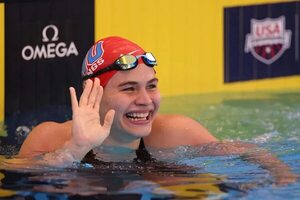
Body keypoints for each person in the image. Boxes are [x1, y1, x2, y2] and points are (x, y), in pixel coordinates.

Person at [17, 36, 297, 185]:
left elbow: (252, 152)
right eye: (129, 88)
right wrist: (74, 150)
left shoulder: (175, 132)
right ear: (95, 94)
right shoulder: (49, 138)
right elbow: (20, 182)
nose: (146, 100)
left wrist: (282, 178)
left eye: (151, 86)